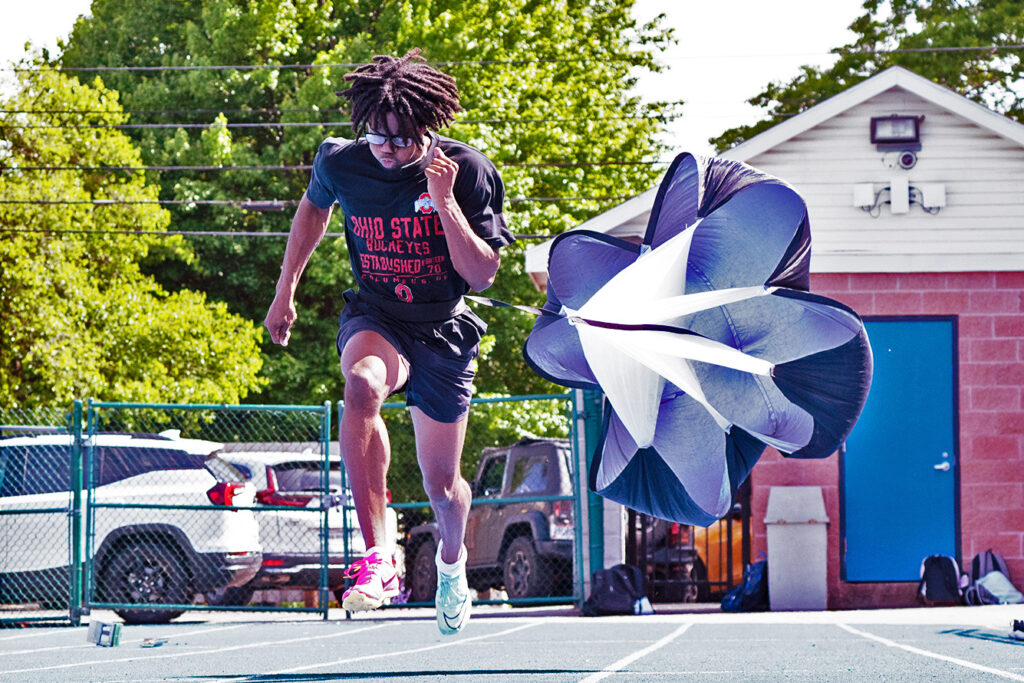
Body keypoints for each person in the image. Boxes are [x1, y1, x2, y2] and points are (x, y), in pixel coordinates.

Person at [264, 49, 513, 636]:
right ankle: (379, 558)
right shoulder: (342, 162)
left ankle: (452, 566)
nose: (388, 150)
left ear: (426, 130)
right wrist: (285, 292)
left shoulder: (467, 170)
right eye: (378, 137)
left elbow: (481, 275)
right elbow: (312, 213)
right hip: (378, 315)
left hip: (443, 328)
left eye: (401, 142)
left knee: (443, 489)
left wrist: (446, 202)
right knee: (361, 382)